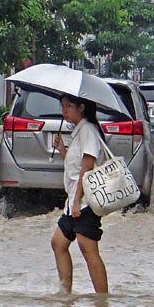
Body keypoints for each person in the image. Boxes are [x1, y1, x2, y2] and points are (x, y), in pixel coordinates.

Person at [50, 94, 108, 294]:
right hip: (74, 201)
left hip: (85, 202)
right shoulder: (79, 132)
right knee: (58, 242)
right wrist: (62, 151)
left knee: (88, 248)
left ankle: (102, 300)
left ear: (81, 107)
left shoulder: (88, 131)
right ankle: (65, 292)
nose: (64, 110)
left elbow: (87, 168)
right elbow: (75, 167)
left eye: (68, 106)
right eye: (63, 106)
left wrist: (76, 202)